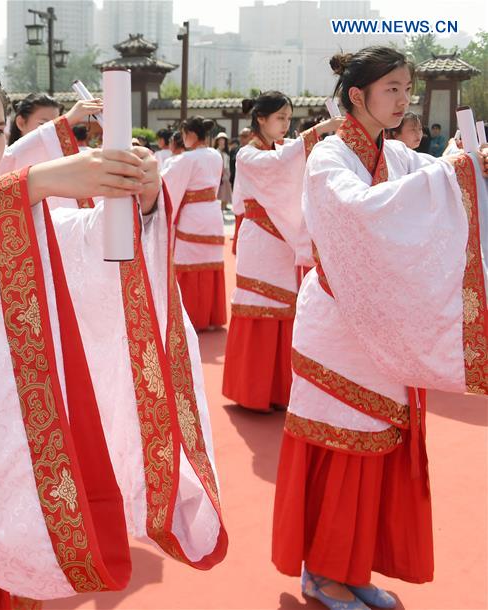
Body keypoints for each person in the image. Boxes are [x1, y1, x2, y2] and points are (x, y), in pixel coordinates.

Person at [0, 54, 226, 608]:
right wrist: (36, 181)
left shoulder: (17, 210)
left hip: (9, 433)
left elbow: (85, 241)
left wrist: (143, 198)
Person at [273, 45, 488, 610]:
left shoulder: (392, 154)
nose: (402, 99)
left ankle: (352, 567)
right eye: (392, 88)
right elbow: (362, 212)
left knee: (376, 453)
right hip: (339, 330)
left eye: (406, 89)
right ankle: (322, 573)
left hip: (381, 329)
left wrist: (468, 164)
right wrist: (457, 175)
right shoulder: (328, 158)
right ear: (357, 95)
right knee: (343, 449)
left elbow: (435, 181)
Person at [223, 91, 342, 412]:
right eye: (280, 118)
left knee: (285, 308)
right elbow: (279, 163)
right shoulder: (247, 154)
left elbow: (294, 155)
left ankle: (277, 390)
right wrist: (319, 130)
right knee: (261, 306)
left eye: (288, 118)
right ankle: (252, 391)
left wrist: (330, 139)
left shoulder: (282, 148)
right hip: (261, 240)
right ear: (261, 119)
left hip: (282, 240)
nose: (285, 124)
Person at [162, 117, 227, 331]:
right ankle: (210, 317)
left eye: (183, 134)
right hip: (212, 213)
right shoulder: (216, 155)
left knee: (187, 263)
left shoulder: (187, 159)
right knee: (210, 264)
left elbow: (167, 185)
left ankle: (191, 318)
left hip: (192, 216)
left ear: (190, 134)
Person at [213, 132, 233, 207]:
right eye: (220, 139)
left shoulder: (226, 153)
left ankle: (224, 206)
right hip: (218, 173)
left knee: (225, 192)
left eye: (223, 140)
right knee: (218, 192)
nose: (222, 141)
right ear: (217, 141)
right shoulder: (215, 152)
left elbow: (227, 164)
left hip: (226, 173)